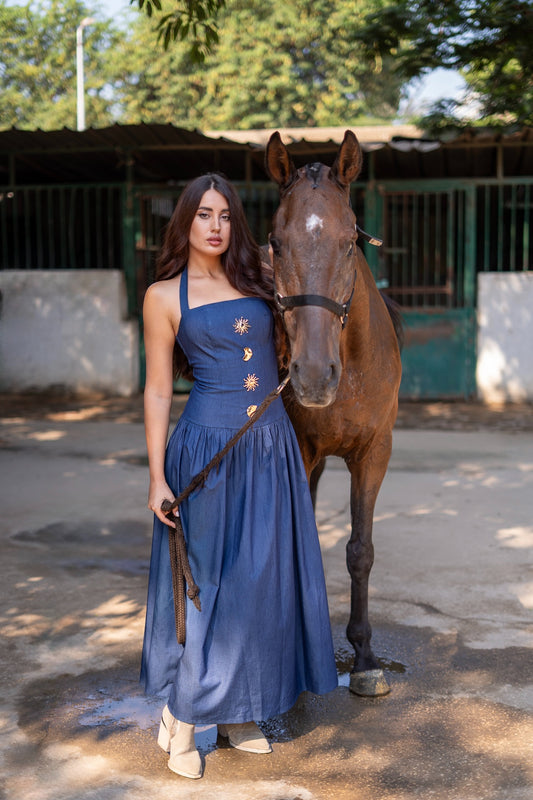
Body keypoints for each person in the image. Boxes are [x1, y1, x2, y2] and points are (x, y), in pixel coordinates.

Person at [140, 173, 338, 780]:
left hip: (271, 444)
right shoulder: (163, 296)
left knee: (259, 584)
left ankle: (239, 711)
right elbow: (155, 389)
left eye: (225, 215)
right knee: (206, 586)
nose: (216, 226)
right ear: (186, 222)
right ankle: (184, 713)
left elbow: (318, 301)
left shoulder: (260, 276)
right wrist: (156, 477)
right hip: (206, 450)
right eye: (204, 215)